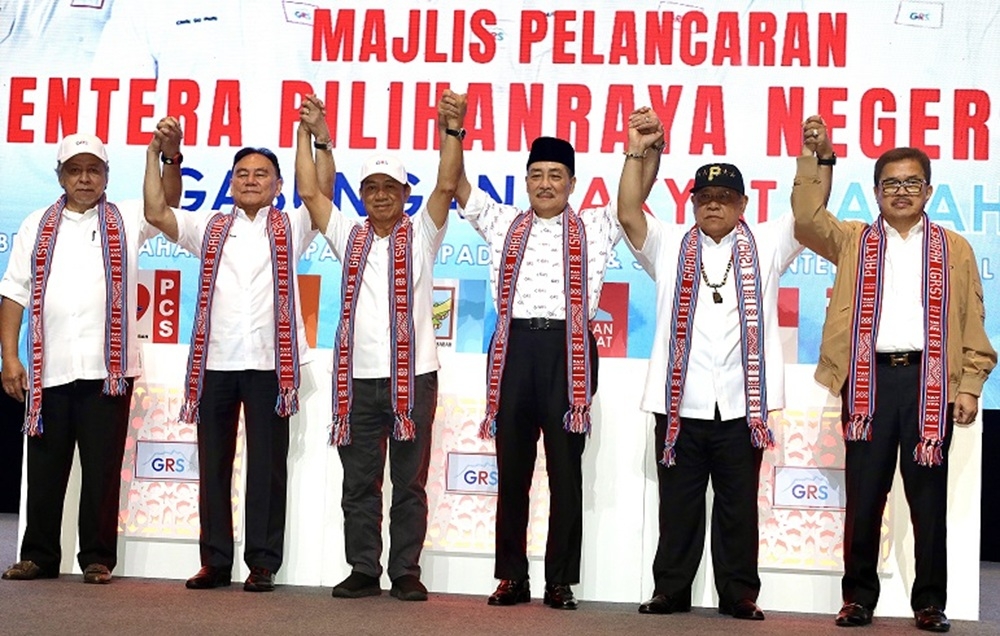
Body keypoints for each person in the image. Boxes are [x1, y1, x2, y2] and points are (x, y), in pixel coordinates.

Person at [436, 90, 662, 610]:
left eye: (556, 176)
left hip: (569, 355)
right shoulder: (500, 222)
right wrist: (454, 130)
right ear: (527, 181)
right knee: (512, 472)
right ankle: (512, 577)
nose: (545, 184)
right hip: (514, 350)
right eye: (537, 175)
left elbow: (635, 195)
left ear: (572, 184)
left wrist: (643, 149)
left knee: (566, 474)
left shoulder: (598, 226)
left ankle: (560, 580)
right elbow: (454, 185)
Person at [617, 114, 832, 620]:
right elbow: (629, 211)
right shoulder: (668, 244)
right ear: (692, 203)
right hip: (679, 408)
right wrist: (636, 150)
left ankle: (739, 594)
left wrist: (817, 157)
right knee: (679, 508)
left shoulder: (769, 242)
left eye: (725, 197)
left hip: (742, 407)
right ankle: (671, 590)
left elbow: (810, 210)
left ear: (742, 204)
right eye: (704, 197)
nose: (713, 203)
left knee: (738, 509)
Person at [791, 118, 996, 632]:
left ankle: (930, 603)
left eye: (911, 184)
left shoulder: (955, 249)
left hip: (929, 387)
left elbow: (973, 321)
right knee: (863, 499)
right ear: (876, 191)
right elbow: (807, 217)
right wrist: (818, 158)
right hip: (868, 383)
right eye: (890, 184)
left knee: (928, 505)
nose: (900, 193)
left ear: (928, 190)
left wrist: (970, 384)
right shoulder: (854, 240)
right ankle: (858, 598)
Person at [143, 112, 329, 593]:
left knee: (267, 469)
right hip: (216, 365)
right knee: (214, 466)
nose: (250, 181)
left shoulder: (294, 224)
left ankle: (263, 563)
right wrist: (159, 155)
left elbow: (320, 189)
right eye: (242, 174)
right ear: (230, 183)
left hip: (272, 365)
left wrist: (310, 137)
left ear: (278, 184)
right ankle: (215, 562)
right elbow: (157, 212)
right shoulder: (208, 226)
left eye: (260, 174)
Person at [1, 124, 183, 584]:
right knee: (44, 470)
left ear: (106, 175)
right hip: (49, 369)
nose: (84, 179)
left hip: (109, 370)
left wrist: (170, 157)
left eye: (94, 170)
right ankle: (39, 555)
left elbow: (169, 203)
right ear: (60, 175)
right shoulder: (34, 224)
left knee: (102, 471)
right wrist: (9, 355)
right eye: (75, 170)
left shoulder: (128, 215)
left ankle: (97, 558)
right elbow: (14, 293)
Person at [294, 94, 451, 601]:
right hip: (356, 384)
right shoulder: (349, 234)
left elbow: (448, 183)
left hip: (414, 379)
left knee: (409, 484)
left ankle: (405, 570)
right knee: (358, 485)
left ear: (406, 193)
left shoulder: (424, 232)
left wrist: (453, 129)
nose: (381, 195)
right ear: (360, 194)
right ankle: (364, 567)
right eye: (371, 187)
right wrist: (313, 135)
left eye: (391, 187)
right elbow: (311, 191)